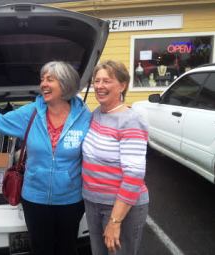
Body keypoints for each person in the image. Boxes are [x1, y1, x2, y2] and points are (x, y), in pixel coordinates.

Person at [0, 61, 91, 255]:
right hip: (35, 199)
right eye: (42, 79)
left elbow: (99, 149)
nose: (43, 84)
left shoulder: (84, 116)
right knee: (41, 249)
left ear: (66, 84)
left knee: (67, 248)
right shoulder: (31, 113)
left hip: (71, 199)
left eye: (49, 79)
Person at [82, 60, 149, 255]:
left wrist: (115, 221)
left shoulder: (131, 120)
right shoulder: (97, 114)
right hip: (93, 202)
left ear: (122, 85)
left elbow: (134, 175)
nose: (100, 86)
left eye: (107, 81)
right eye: (97, 80)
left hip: (121, 209)